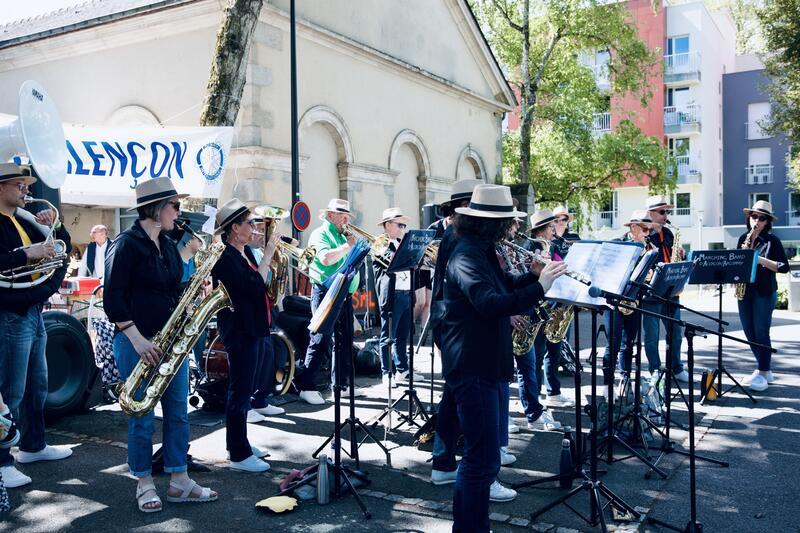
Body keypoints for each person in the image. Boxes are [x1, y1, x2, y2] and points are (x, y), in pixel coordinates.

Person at [441, 184, 566, 532]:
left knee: (483, 457)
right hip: (471, 362)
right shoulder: (466, 254)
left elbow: (505, 284)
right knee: (480, 459)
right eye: (508, 222)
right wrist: (541, 288)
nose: (512, 228)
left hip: (485, 360)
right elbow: (489, 302)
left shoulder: (483, 249)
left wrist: (535, 274)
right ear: (492, 224)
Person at [104, 178, 217, 512]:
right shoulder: (126, 244)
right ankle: (144, 483)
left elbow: (171, 289)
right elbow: (113, 299)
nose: (178, 213)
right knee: (141, 416)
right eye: (175, 206)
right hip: (136, 342)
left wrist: (194, 291)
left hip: (171, 341)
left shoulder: (167, 244)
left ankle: (179, 481)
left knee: (178, 414)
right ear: (155, 208)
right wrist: (138, 340)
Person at [0, 163, 73, 489]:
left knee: (36, 386)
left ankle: (33, 445)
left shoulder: (22, 219)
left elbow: (59, 250)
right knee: (10, 391)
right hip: (10, 313)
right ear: (1, 187)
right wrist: (25, 254)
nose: (26, 191)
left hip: (31, 308)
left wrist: (55, 228)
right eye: (19, 185)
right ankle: (2, 461)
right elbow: (11, 261)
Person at [211, 199, 281, 471]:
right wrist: (269, 252)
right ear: (234, 229)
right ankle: (238, 453)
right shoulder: (225, 257)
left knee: (246, 389)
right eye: (249, 223)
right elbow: (252, 287)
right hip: (239, 330)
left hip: (254, 327)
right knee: (239, 392)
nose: (254, 228)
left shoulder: (244, 253)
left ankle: (243, 443)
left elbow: (263, 287)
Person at [429, 179, 483, 487]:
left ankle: (445, 460)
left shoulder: (456, 235)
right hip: (453, 325)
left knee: (454, 395)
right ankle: (448, 460)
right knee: (458, 396)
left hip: (450, 323)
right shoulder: (456, 237)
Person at [294, 199, 365, 405]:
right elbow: (325, 259)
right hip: (326, 291)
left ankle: (340, 385)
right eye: (342, 215)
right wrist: (347, 246)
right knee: (321, 339)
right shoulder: (320, 234)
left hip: (344, 293)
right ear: (330, 215)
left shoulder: (342, 235)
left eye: (347, 216)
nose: (346, 220)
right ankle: (307, 386)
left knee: (345, 340)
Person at [497, 219, 562, 434]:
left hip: (524, 311)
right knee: (504, 372)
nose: (516, 227)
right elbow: (495, 289)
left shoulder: (513, 248)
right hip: (506, 315)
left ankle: (533, 412)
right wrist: (509, 314)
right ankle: (502, 417)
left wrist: (535, 274)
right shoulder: (492, 249)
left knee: (528, 366)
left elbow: (516, 281)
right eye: (513, 223)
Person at [736, 201, 789, 392]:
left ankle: (763, 369)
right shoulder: (743, 238)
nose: (757, 220)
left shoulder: (772, 241)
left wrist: (760, 260)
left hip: (764, 292)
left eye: (762, 218)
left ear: (767, 222)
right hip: (745, 291)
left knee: (761, 331)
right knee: (749, 334)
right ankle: (764, 369)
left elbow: (784, 267)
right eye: (754, 216)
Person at [372, 207, 423, 388]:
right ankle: (387, 373)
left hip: (408, 293)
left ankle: (402, 370)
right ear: (387, 225)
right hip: (392, 296)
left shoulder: (404, 243)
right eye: (399, 224)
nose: (403, 228)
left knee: (403, 335)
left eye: (404, 225)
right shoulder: (380, 244)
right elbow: (391, 263)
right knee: (388, 336)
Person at [528, 209, 574, 408]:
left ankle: (553, 391)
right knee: (537, 355)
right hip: (539, 305)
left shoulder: (552, 245)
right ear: (540, 230)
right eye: (550, 226)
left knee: (554, 349)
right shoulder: (530, 247)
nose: (554, 229)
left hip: (554, 303)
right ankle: (536, 401)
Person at [601, 211, 652, 388]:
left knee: (629, 343)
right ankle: (608, 384)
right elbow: (606, 270)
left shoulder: (648, 248)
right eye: (645, 229)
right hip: (613, 301)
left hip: (634, 301)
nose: (647, 233)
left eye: (649, 230)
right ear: (634, 227)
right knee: (612, 344)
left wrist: (649, 275)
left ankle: (625, 378)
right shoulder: (617, 244)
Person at [643, 195, 688, 384]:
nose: (665, 215)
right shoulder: (645, 234)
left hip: (671, 291)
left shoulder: (669, 234)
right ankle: (655, 370)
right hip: (652, 293)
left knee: (676, 331)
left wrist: (679, 254)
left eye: (667, 212)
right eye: (662, 212)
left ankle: (676, 367)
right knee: (652, 336)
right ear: (651, 214)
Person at [245, 208, 286, 417]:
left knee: (267, 357)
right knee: (253, 361)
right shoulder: (245, 252)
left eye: (263, 229)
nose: (261, 233)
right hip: (251, 314)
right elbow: (255, 282)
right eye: (257, 229)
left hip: (267, 311)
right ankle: (248, 404)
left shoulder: (259, 251)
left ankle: (260, 399)